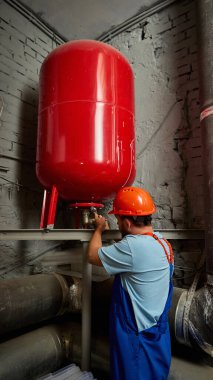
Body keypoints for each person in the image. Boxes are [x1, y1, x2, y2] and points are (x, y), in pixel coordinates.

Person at [87, 186, 174, 380]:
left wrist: (99, 230)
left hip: (135, 339)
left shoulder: (132, 247)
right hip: (158, 334)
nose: (117, 225)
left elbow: (92, 255)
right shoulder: (163, 243)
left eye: (118, 220)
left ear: (126, 223)